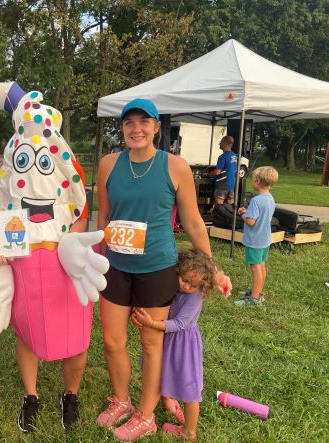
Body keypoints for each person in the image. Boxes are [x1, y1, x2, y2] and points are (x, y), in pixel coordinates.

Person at [96, 98, 231, 441]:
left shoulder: (175, 167)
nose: (136, 129)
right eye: (129, 123)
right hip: (115, 265)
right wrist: (93, 258)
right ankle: (122, 400)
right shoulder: (109, 164)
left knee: (151, 344)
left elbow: (193, 222)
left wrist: (212, 270)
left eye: (144, 122)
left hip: (157, 267)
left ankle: (145, 416)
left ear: (157, 127)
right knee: (112, 341)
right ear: (122, 128)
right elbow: (103, 218)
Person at [0, 90, 108, 433]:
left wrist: (71, 244)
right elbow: (0, 210)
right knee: (27, 329)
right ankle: (31, 395)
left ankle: (70, 394)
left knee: (77, 333)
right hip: (24, 259)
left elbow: (79, 208)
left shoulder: (68, 163)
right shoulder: (6, 169)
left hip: (66, 261)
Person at [132, 248, 218, 441]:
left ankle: (189, 431)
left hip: (183, 345)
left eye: (193, 285)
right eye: (185, 280)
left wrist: (152, 324)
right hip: (168, 339)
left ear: (201, 287)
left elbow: (180, 324)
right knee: (162, 373)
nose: (187, 287)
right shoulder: (171, 286)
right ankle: (168, 402)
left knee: (189, 388)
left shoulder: (195, 298)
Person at [235, 166, 278, 307]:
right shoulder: (270, 198)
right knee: (262, 266)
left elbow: (251, 221)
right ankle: (257, 292)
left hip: (255, 240)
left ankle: (254, 299)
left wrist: (242, 213)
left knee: (255, 268)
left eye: (253, 179)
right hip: (265, 239)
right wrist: (249, 212)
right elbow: (260, 216)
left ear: (258, 181)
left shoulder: (256, 200)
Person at [208, 135, 237, 205]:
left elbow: (217, 172)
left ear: (225, 143)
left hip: (222, 185)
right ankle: (231, 216)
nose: (219, 143)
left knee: (219, 205)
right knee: (230, 204)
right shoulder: (234, 156)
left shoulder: (222, 157)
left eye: (221, 142)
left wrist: (208, 174)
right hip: (231, 184)